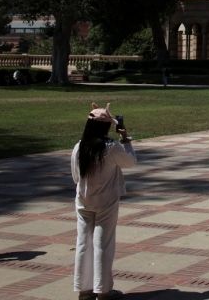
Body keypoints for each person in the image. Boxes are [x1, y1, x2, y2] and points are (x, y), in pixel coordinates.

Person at [72, 103, 137, 300]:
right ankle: (103, 291)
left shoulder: (78, 147)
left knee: (83, 243)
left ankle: (84, 289)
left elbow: (76, 177)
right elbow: (131, 162)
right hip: (106, 202)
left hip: (83, 200)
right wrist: (125, 138)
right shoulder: (111, 147)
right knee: (103, 245)